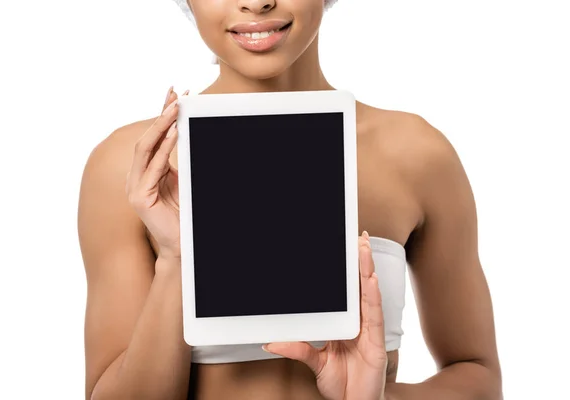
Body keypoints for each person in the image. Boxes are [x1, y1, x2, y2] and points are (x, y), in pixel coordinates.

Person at [77, 0, 502, 399]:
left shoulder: (415, 153)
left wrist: (376, 397)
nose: (257, 1)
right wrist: (176, 259)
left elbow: (479, 376)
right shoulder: (133, 166)